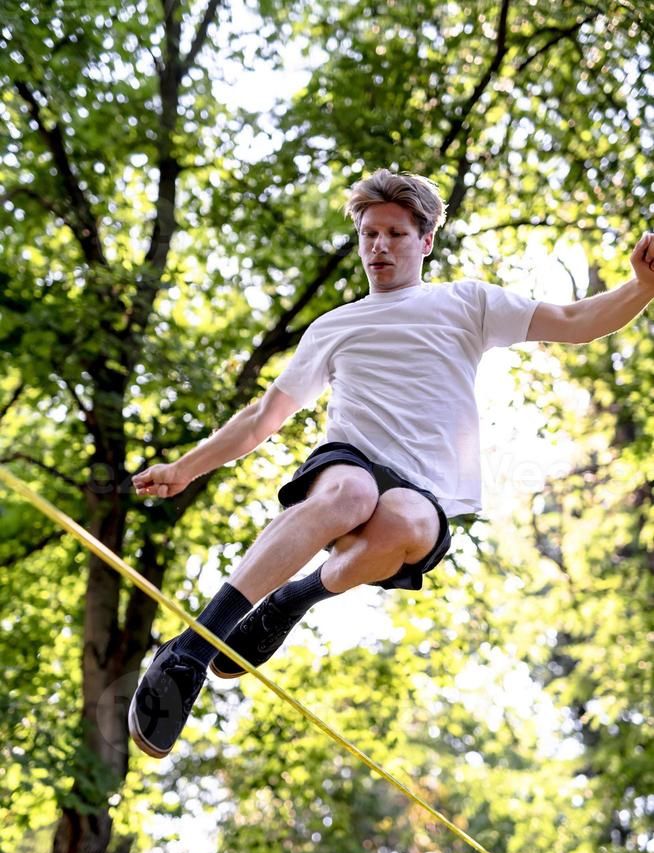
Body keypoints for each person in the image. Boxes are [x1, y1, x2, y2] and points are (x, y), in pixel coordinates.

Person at [128, 169, 654, 759]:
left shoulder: (468, 302)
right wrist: (187, 467)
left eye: (396, 234)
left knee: (405, 523)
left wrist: (642, 286)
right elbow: (262, 420)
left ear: (426, 241)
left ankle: (291, 601)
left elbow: (577, 323)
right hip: (348, 461)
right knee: (351, 495)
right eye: (369, 233)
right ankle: (193, 649)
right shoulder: (336, 325)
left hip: (419, 488)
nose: (379, 246)